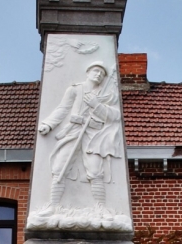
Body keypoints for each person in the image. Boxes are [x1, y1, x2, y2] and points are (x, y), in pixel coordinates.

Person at [38, 63, 121, 210]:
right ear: (88, 72)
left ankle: (101, 207)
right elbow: (63, 109)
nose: (99, 74)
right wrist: (48, 124)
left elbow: (114, 116)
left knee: (95, 171)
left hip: (93, 134)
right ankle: (53, 205)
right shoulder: (75, 89)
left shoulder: (107, 94)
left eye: (102, 73)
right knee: (59, 167)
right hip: (74, 131)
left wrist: (97, 105)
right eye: (96, 70)